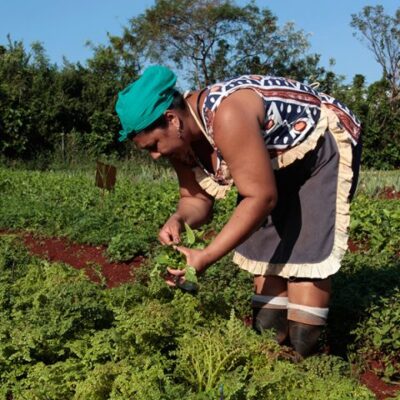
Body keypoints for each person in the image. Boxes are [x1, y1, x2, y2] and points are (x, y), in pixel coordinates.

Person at [115, 65, 362, 357]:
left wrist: (205, 256)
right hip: (270, 164)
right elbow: (196, 200)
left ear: (171, 119)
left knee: (303, 259)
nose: (155, 155)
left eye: (153, 146)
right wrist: (178, 219)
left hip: (315, 147)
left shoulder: (228, 115)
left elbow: (260, 197)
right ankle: (270, 355)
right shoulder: (179, 141)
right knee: (265, 259)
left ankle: (303, 360)